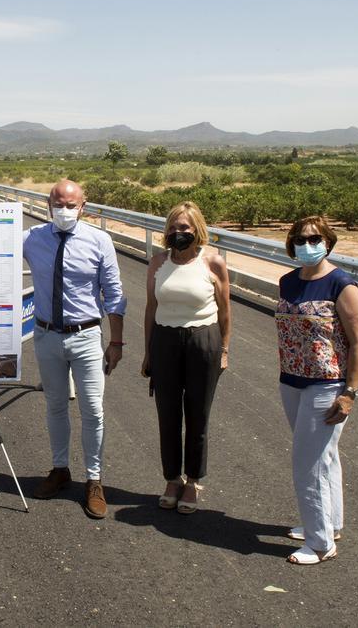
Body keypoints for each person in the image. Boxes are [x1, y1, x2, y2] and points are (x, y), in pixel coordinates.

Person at [0, 179, 125, 519]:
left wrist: (116, 342)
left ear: (84, 206)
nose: (65, 210)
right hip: (46, 336)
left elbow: (114, 294)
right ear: (47, 203)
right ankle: (60, 469)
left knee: (93, 411)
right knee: (55, 406)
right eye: (59, 203)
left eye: (72, 205)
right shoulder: (33, 238)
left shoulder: (100, 241)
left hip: (86, 337)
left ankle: (94, 479)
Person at [275, 215, 358, 564]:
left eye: (315, 238)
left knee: (307, 463)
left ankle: (319, 544)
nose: (307, 244)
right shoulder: (288, 282)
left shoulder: (341, 285)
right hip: (292, 381)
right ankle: (329, 524)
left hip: (327, 385)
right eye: (300, 238)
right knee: (324, 458)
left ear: (328, 242)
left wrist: (350, 392)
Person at [140, 201, 230, 514]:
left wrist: (225, 350)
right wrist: (149, 351)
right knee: (167, 413)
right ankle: (171, 479)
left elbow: (225, 310)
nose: (179, 233)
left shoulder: (213, 263)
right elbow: (151, 308)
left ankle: (192, 482)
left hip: (203, 340)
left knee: (197, 415)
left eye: (185, 228)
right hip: (165, 340)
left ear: (197, 231)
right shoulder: (158, 263)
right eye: (174, 228)